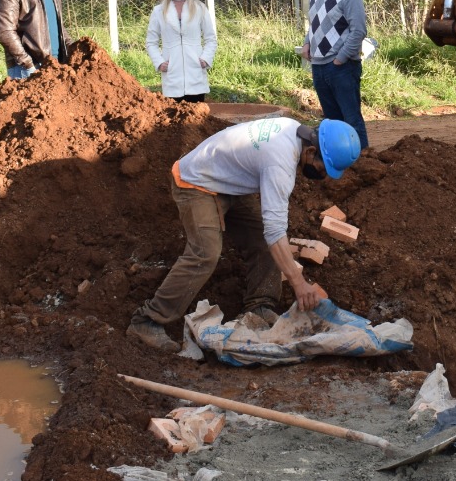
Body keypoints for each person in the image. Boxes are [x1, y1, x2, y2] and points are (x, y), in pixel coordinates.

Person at [127, 117, 362, 353]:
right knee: (205, 254)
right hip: (195, 182)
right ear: (311, 151)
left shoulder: (295, 130)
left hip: (229, 182)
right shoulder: (279, 163)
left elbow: (270, 232)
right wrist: (299, 284)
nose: (322, 176)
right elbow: (275, 231)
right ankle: (147, 322)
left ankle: (259, 305)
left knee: (260, 238)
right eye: (323, 169)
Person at [302, 0, 369, 149]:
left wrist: (341, 58)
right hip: (319, 66)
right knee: (332, 122)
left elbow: (358, 30)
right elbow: (316, 23)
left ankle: (363, 161)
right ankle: (339, 161)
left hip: (341, 67)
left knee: (351, 120)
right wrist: (306, 43)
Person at [146, 0, 217, 103]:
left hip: (195, 72)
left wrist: (205, 58)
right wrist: (159, 62)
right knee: (174, 118)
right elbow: (151, 42)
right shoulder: (158, 11)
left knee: (196, 117)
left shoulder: (200, 8)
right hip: (172, 74)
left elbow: (210, 39)